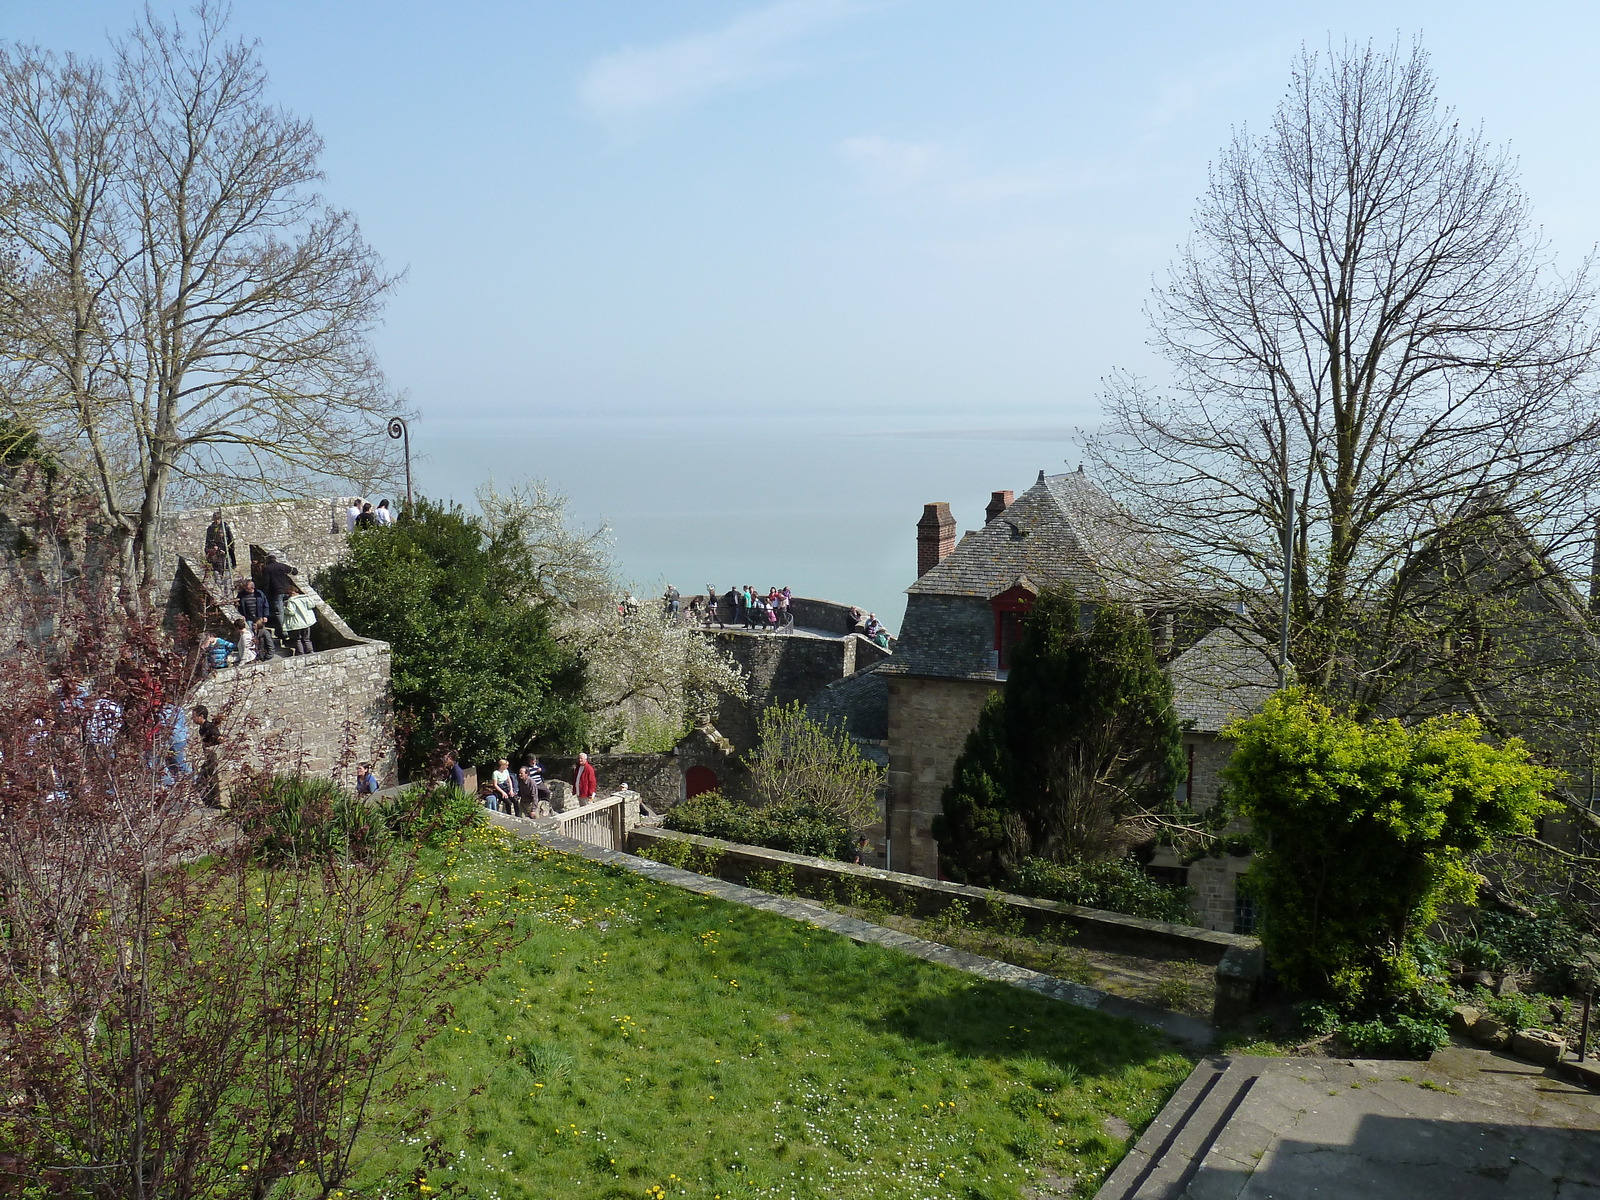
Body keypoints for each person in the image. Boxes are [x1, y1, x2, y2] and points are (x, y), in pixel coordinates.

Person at [260, 553, 299, 636]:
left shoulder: (267, 569)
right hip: (286, 591)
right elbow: (294, 571)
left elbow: (266, 582)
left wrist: (265, 594)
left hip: (276, 592)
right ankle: (292, 628)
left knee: (279, 612)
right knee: (289, 610)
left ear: (267, 559)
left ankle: (285, 632)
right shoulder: (281, 566)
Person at [193, 704, 222, 807]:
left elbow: (220, 738)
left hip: (211, 755)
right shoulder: (202, 728)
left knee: (212, 778)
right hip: (207, 755)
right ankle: (210, 802)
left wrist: (212, 747)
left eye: (194, 716)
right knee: (202, 779)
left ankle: (215, 803)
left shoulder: (209, 727)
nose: (193, 718)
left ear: (201, 716)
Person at [280, 583, 318, 656]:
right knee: (306, 638)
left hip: (297, 623)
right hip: (307, 622)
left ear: (289, 593)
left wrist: (284, 608)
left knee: (298, 639)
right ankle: (310, 651)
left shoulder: (291, 601)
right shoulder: (305, 598)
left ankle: (300, 653)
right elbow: (312, 605)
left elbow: (291, 611)